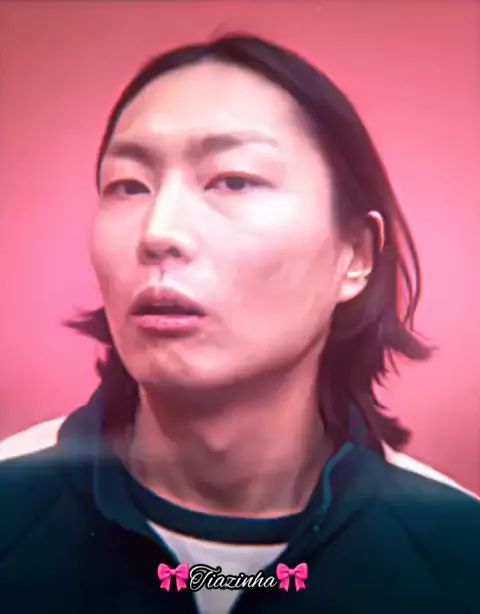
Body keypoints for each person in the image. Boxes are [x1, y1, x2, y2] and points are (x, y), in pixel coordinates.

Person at [0, 33, 478, 614]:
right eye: (128, 185)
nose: (159, 232)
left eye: (233, 179)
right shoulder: (12, 506)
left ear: (355, 256)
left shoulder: (457, 551)